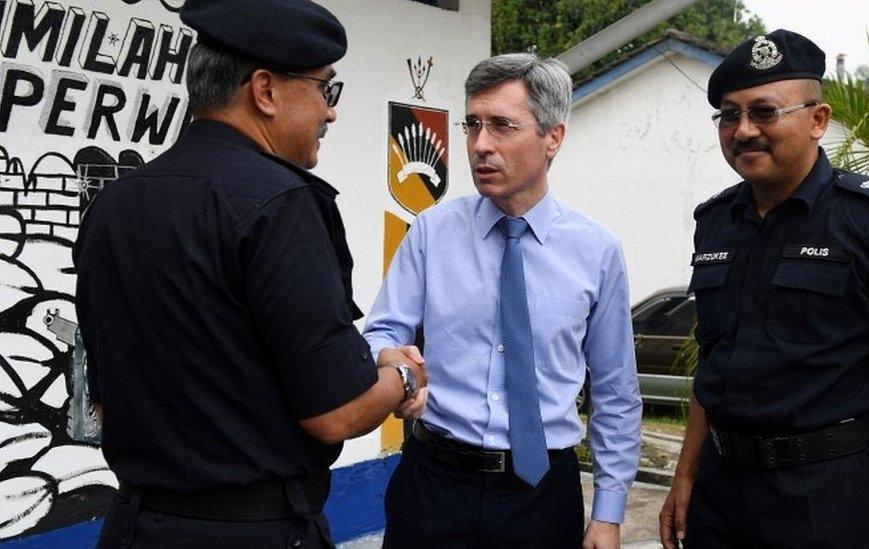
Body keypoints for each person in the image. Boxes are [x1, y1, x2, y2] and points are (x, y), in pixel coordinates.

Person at [73, 1, 426, 547]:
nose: (330, 113)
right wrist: (402, 377)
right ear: (265, 91)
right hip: (253, 530)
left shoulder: (114, 203)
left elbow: (102, 400)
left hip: (135, 526)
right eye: (324, 90)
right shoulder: (279, 204)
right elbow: (338, 413)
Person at [659, 29, 869, 549]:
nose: (744, 130)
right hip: (721, 492)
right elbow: (715, 361)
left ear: (818, 120)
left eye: (764, 112)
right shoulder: (717, 221)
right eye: (729, 115)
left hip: (827, 493)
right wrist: (686, 474)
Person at [363, 53, 642, 549]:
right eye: (473, 125)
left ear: (553, 137)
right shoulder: (432, 233)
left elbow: (617, 393)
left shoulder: (597, 251)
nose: (480, 145)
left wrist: (608, 513)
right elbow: (381, 335)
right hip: (434, 485)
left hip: (540, 494)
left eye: (502, 126)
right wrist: (392, 362)